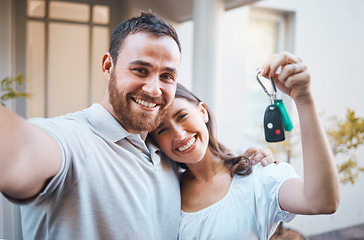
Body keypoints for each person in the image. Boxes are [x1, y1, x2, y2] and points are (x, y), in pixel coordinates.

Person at [0, 11, 275, 239]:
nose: (154, 89)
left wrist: (249, 162)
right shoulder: (72, 140)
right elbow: (21, 151)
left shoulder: (165, 157)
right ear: (108, 66)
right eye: (140, 70)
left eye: (167, 75)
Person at [150, 52, 340, 240]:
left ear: (202, 112)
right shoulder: (164, 190)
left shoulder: (257, 176)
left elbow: (322, 202)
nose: (179, 134)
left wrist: (303, 99)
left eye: (182, 116)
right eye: (161, 130)